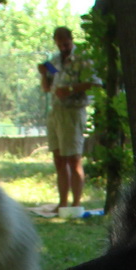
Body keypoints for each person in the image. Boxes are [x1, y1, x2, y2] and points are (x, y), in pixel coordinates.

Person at [38, 26, 100, 211]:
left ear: (71, 40)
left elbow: (96, 83)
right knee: (59, 159)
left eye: (65, 43)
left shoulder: (82, 58)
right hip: (55, 112)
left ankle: (76, 204)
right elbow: (46, 87)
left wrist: (71, 89)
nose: (62, 47)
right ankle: (62, 203)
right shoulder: (55, 61)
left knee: (74, 159)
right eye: (59, 44)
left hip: (73, 112)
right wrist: (43, 74)